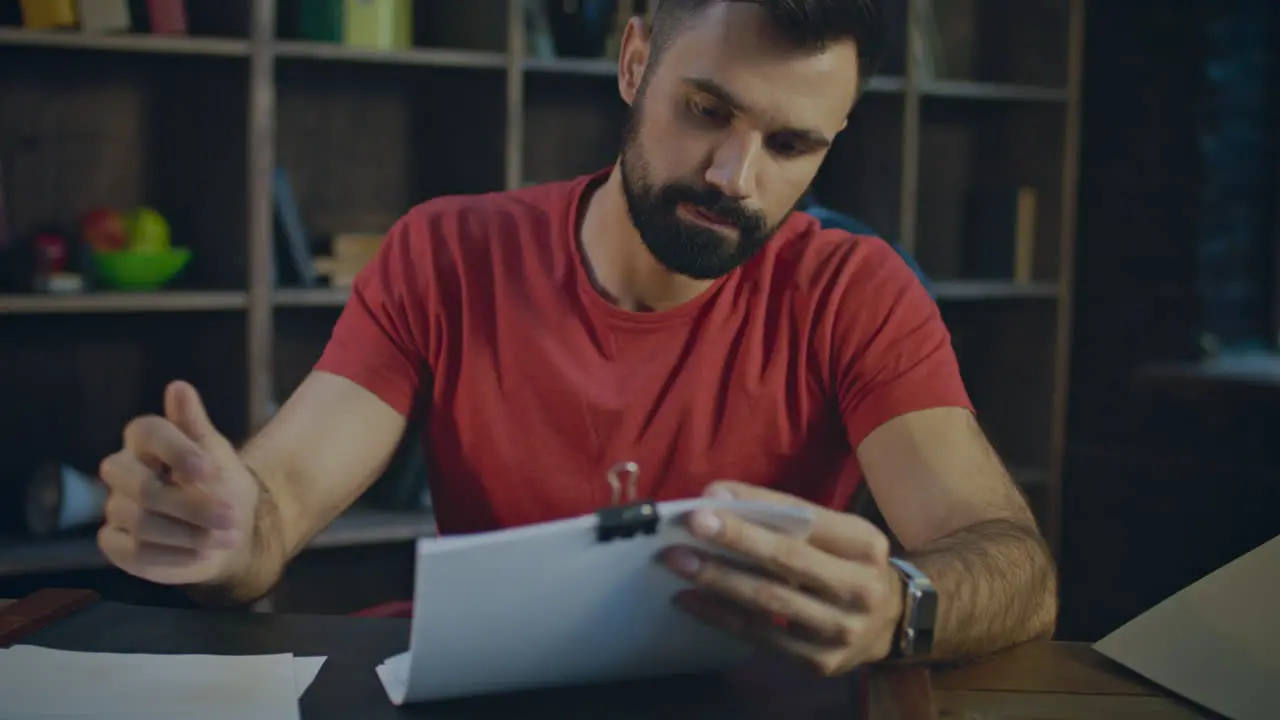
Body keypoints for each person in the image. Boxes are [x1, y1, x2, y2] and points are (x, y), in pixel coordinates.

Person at [96, 0, 1057, 676]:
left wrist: (901, 603)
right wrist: (227, 534)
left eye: (791, 145)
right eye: (707, 111)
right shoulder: (447, 253)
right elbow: (280, 504)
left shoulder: (857, 291)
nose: (735, 175)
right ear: (636, 61)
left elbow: (1010, 562)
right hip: (480, 697)